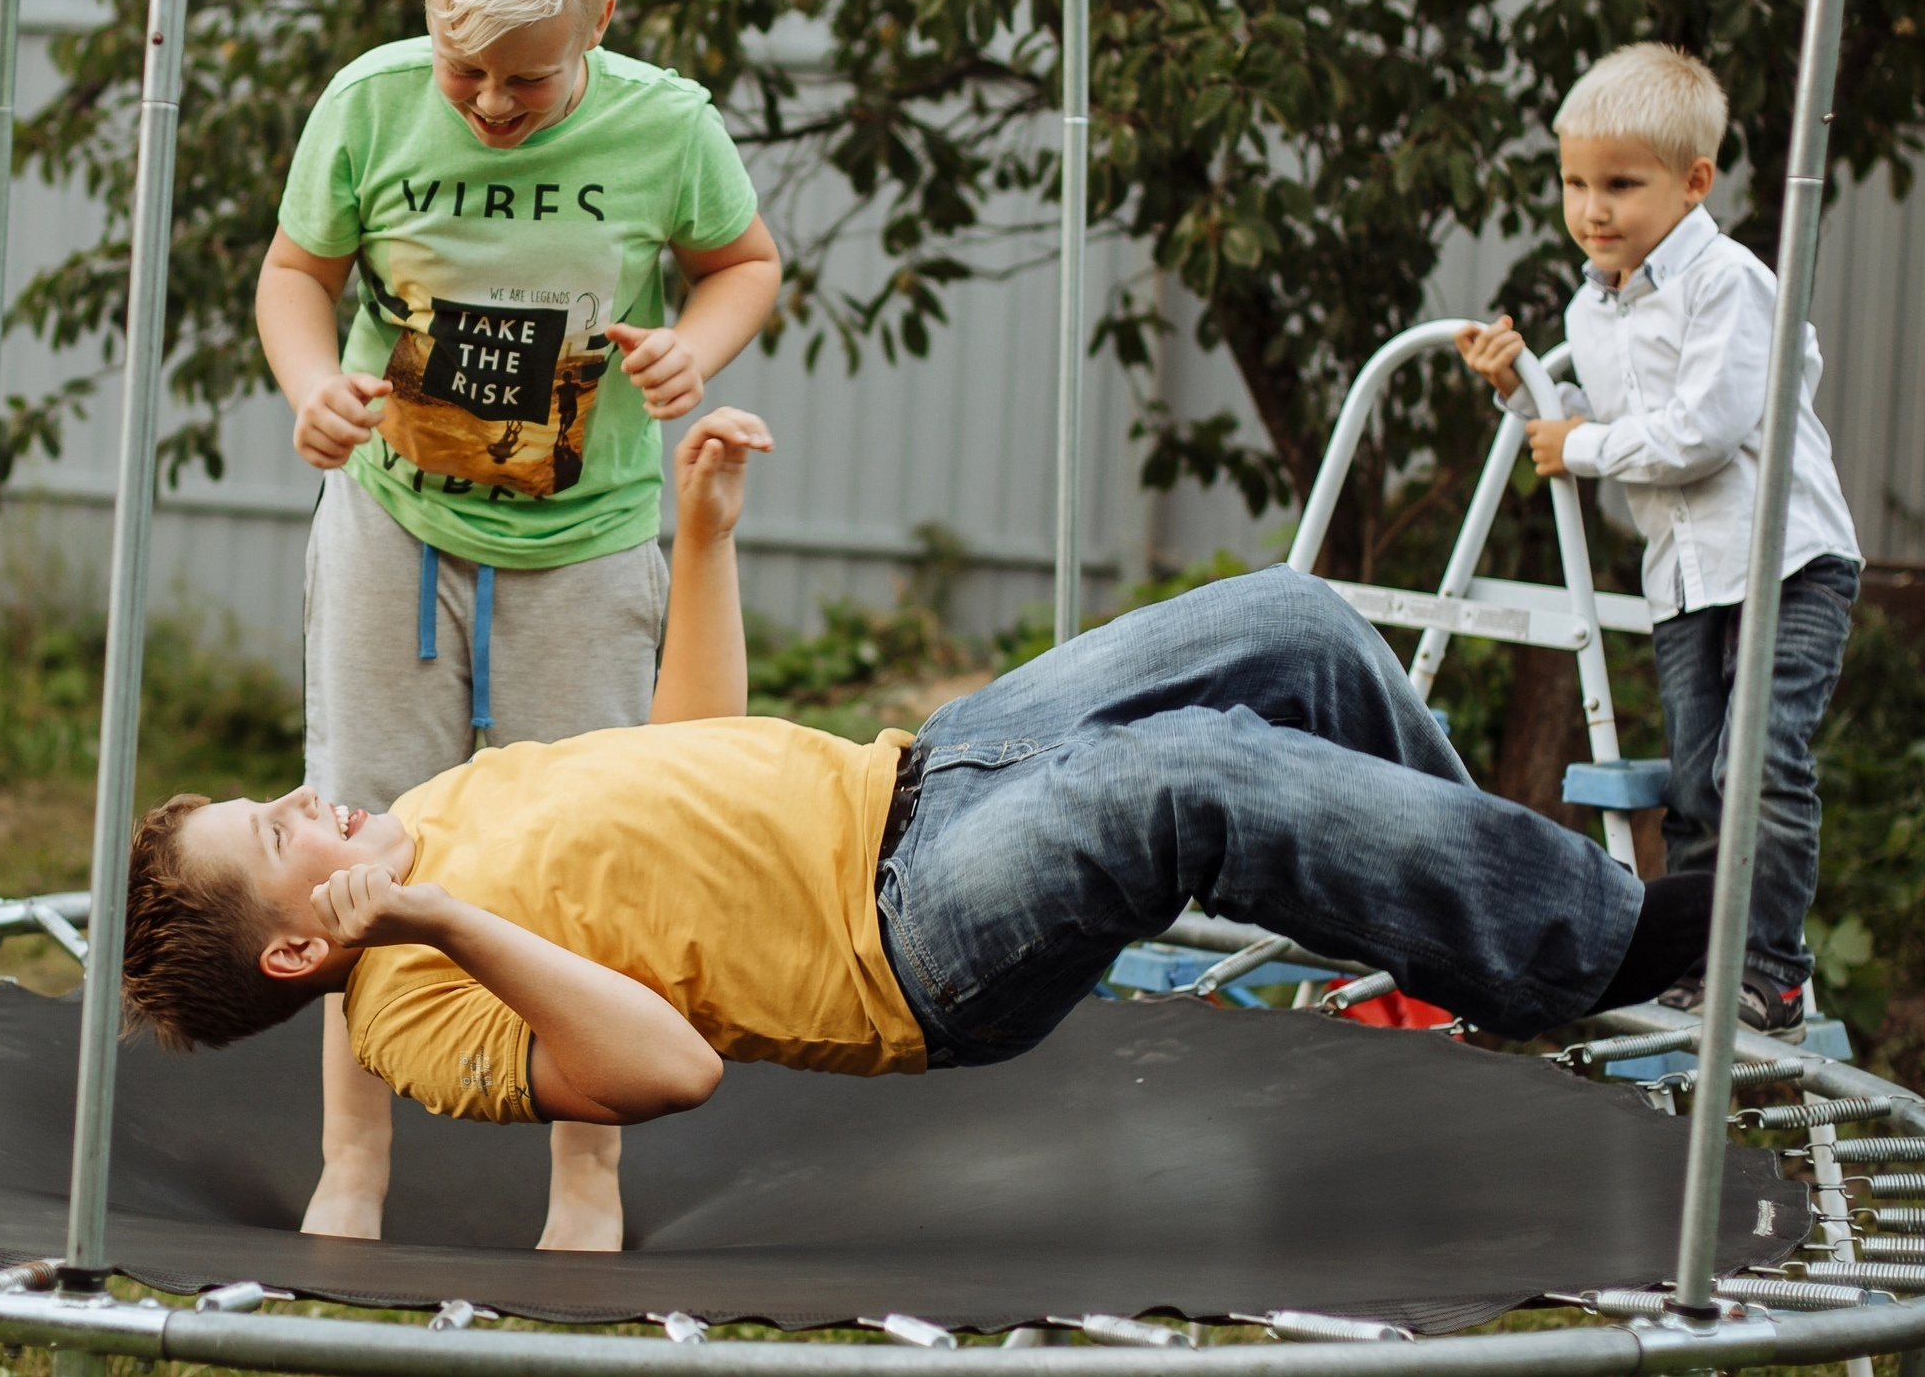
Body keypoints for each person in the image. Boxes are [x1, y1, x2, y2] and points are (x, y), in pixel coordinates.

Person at [123, 410, 1716, 1137]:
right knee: (1191, 781)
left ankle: (1498, 948)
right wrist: (432, 921)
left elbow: (689, 753)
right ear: (298, 939)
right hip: (915, 942)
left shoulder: (446, 803)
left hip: (929, 772)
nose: (311, 798)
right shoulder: (416, 1019)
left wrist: (700, 545)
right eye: (281, 827)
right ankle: (1584, 939)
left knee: (1291, 620)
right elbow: (665, 1071)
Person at [254, 0, 781, 1243]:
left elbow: (745, 261)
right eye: (463, 64)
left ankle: (587, 1180)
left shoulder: (668, 127)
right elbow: (296, 275)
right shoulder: (369, 104)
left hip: (585, 534)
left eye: (528, 80)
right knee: (356, 822)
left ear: (598, 22)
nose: (491, 101)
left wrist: (693, 344)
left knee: (597, 848)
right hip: (395, 522)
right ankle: (353, 1161)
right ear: (426, 7)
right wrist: (311, 384)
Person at [1455, 44, 1864, 1039]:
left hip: (1785, 565)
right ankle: (1693, 960)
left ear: (1691, 183)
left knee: (1757, 765)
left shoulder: (1730, 284)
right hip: (1683, 576)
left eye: (1620, 186)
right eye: (1575, 184)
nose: (1592, 210)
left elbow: (1696, 431)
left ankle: (1768, 968)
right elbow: (1595, 419)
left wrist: (1580, 440)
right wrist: (1524, 393)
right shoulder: (1590, 307)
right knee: (1691, 783)